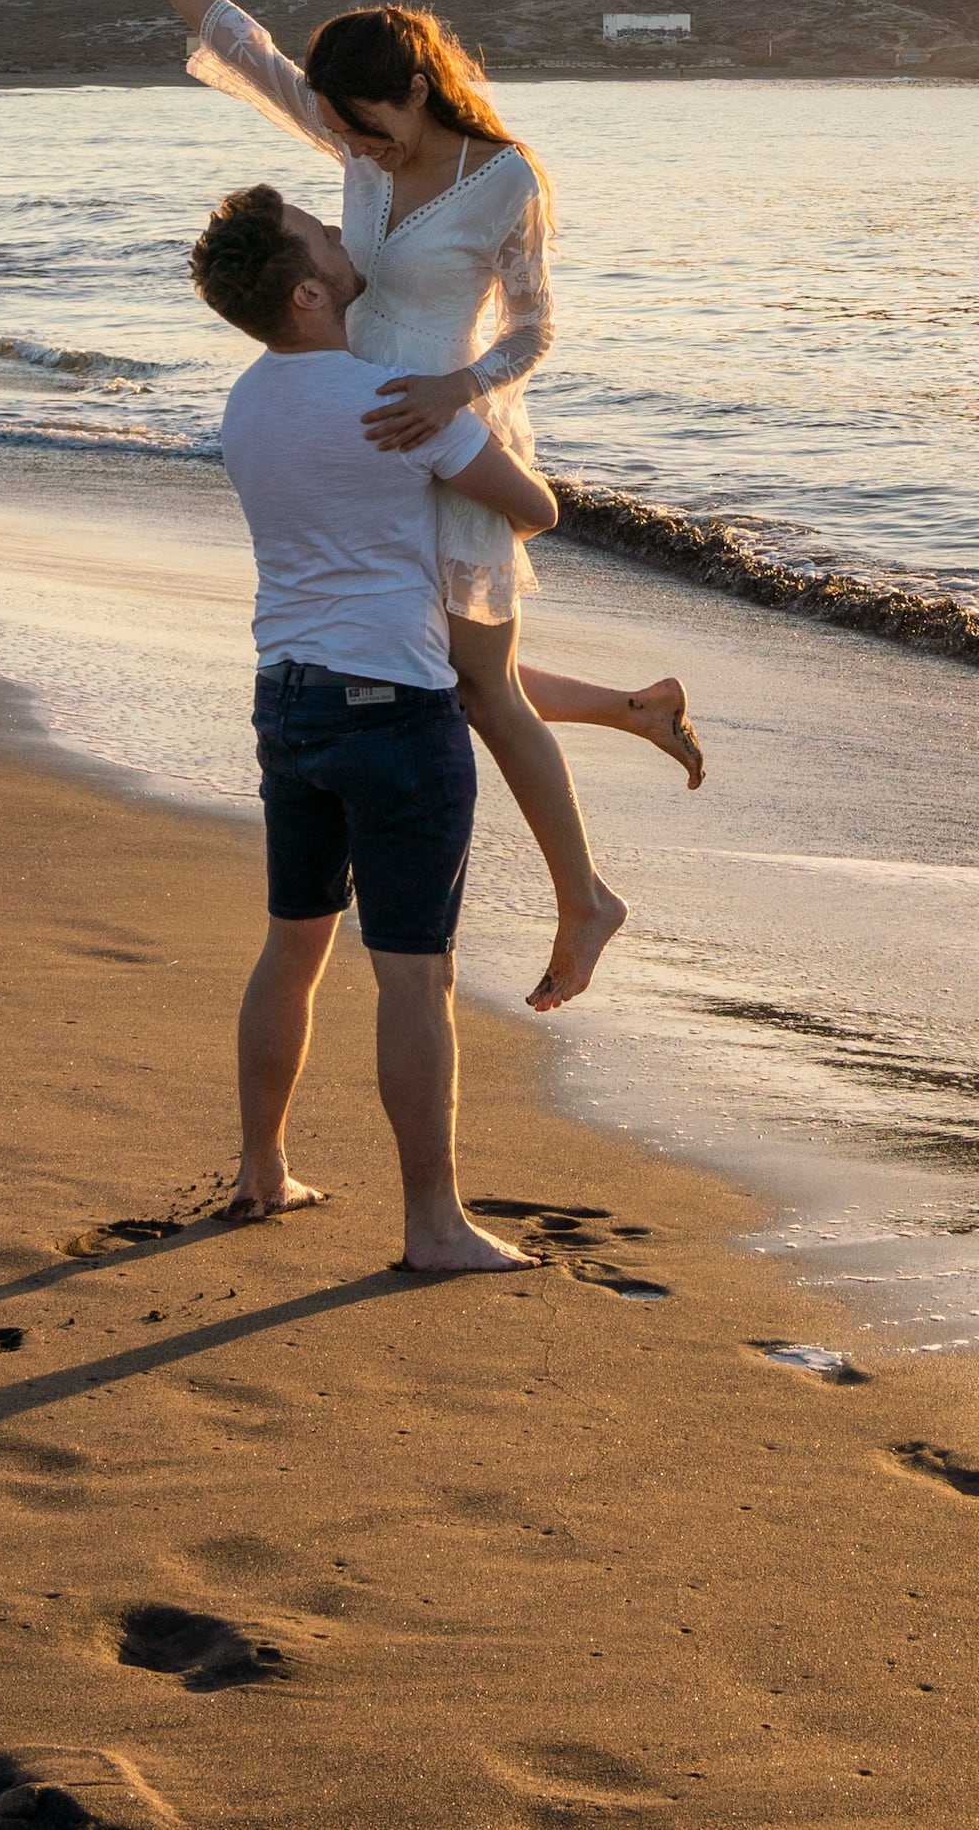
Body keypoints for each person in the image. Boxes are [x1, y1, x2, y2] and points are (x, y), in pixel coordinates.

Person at [96, 0, 707, 791]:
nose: (359, 147)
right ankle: (637, 709)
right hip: (364, 426)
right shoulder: (353, 138)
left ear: (417, 90)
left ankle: (586, 900)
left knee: (483, 691)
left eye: (370, 129)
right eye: (343, 132)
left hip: (438, 424)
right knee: (438, 673)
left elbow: (535, 331)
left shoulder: (507, 181)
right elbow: (239, 42)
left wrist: (455, 393)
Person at [195, 179, 558, 1274]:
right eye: (322, 234)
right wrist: (464, 401)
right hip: (392, 707)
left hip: (286, 696)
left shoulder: (246, 401)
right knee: (413, 973)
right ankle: (433, 1224)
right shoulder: (392, 399)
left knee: (294, 944)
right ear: (309, 290)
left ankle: (263, 1166)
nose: (343, 235)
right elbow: (534, 506)